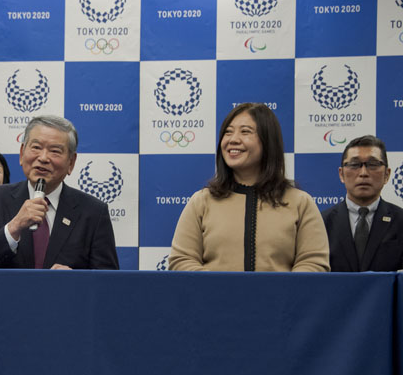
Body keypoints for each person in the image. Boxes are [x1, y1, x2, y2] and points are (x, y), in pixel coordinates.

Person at [169, 103, 329, 272]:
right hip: (215, 298)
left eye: (245, 132)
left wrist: (280, 294)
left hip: (281, 299)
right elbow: (182, 261)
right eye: (228, 132)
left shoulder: (300, 202)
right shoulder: (201, 201)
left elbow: (313, 264)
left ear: (268, 141)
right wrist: (218, 290)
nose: (233, 139)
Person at [0, 115, 119, 270]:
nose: (43, 158)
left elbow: (108, 283)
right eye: (36, 147)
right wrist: (14, 227)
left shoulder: (93, 212)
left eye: (54, 151)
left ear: (71, 163)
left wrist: (77, 280)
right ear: (21, 153)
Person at [322, 135, 403, 271]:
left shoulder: (400, 221)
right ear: (341, 174)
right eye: (354, 165)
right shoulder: (322, 222)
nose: (363, 173)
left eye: (373, 164)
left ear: (387, 175)